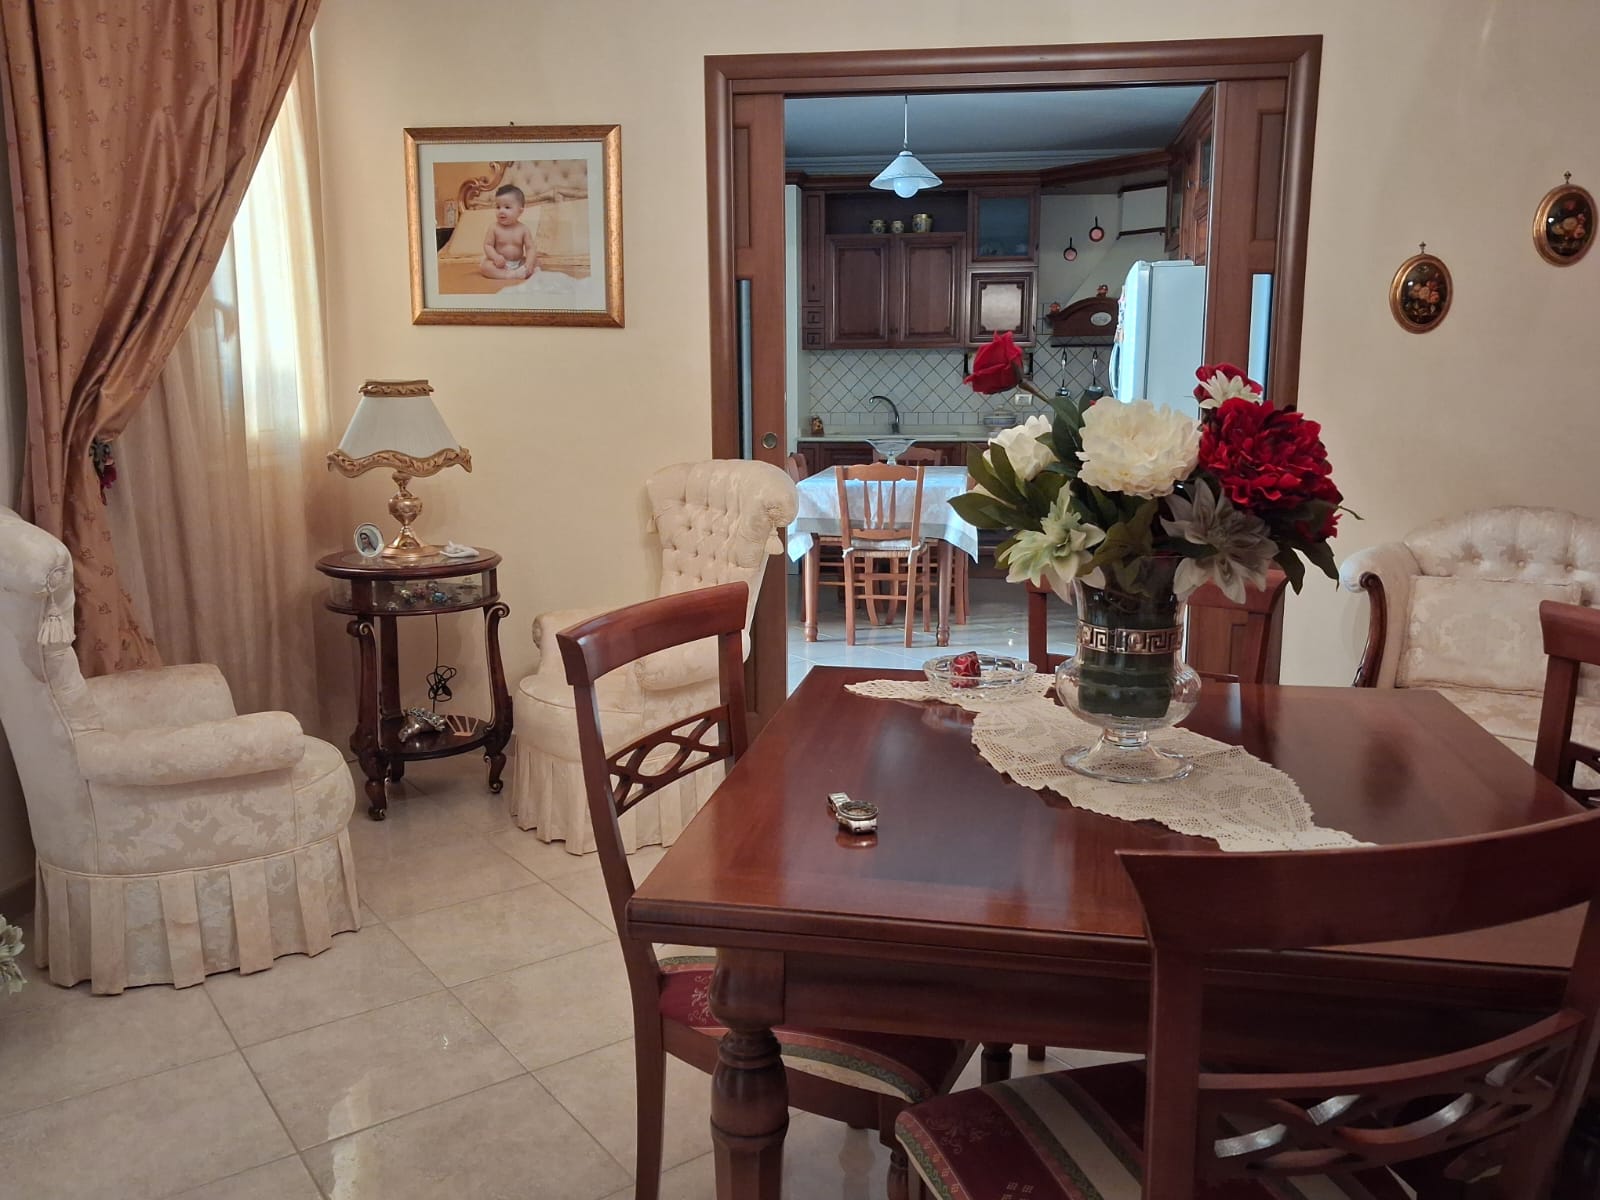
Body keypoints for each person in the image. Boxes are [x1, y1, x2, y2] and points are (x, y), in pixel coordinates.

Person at [479, 184, 535, 280]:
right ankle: (509, 275)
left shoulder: (524, 229)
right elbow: (487, 245)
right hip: (500, 264)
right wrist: (495, 257)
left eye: (507, 207)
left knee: (536, 262)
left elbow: (530, 248)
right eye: (498, 207)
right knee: (485, 266)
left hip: (518, 262)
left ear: (520, 211)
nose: (501, 211)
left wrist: (529, 263)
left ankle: (523, 271)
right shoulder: (494, 228)